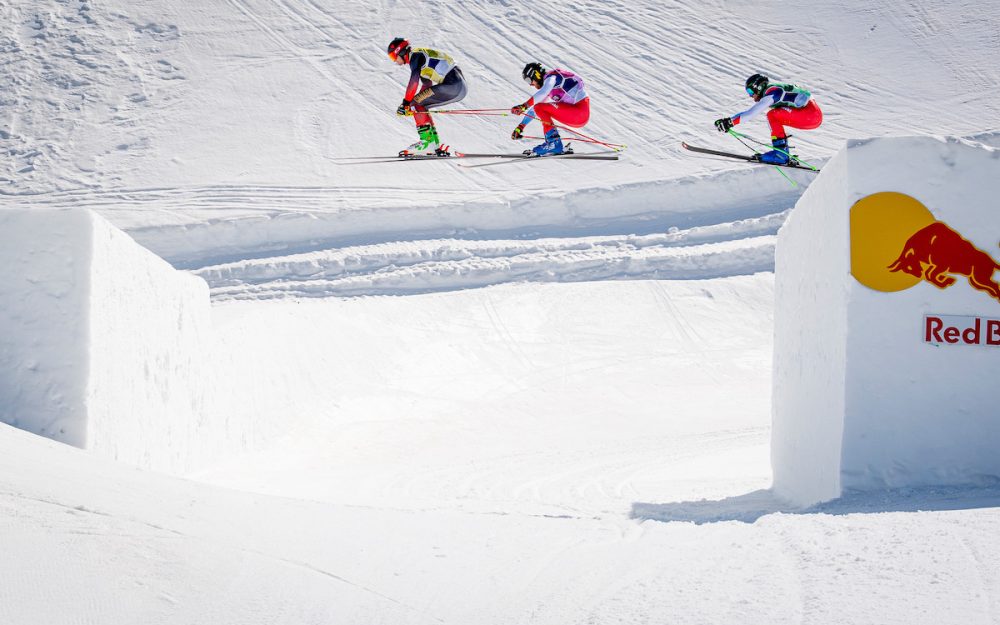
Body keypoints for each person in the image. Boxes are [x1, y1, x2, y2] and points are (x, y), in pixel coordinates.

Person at [713, 73, 823, 165]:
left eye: (751, 92)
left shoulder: (771, 93)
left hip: (809, 114)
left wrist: (729, 122)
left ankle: (781, 155)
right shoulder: (773, 90)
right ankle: (783, 153)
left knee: (773, 115)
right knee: (776, 115)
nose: (751, 96)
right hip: (813, 115)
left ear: (759, 87)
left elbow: (751, 114)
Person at [387, 37, 468, 157]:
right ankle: (433, 144)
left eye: (394, 57)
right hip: (459, 86)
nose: (394, 61)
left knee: (416, 103)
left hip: (453, 84)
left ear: (401, 52)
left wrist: (407, 103)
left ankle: (427, 143)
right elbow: (427, 84)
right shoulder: (419, 57)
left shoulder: (415, 56)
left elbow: (413, 81)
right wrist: (413, 106)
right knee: (418, 104)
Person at [510, 62, 590, 156]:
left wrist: (523, 106)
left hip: (579, 111)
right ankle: (554, 143)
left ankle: (554, 144)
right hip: (576, 116)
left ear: (536, 75)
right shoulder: (549, 85)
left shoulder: (552, 77)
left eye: (529, 80)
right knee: (539, 107)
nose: (531, 84)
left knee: (539, 107)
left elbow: (543, 92)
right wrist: (520, 127)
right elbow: (534, 110)